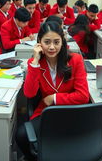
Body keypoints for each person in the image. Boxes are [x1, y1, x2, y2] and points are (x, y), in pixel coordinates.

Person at [16, 21, 89, 161]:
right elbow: (29, 94)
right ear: (39, 43)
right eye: (47, 42)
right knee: (21, 135)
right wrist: (35, 61)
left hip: (71, 112)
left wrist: (54, 98)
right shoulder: (35, 62)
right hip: (46, 114)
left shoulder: (75, 60)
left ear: (62, 42)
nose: (51, 47)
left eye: (56, 42)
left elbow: (83, 96)